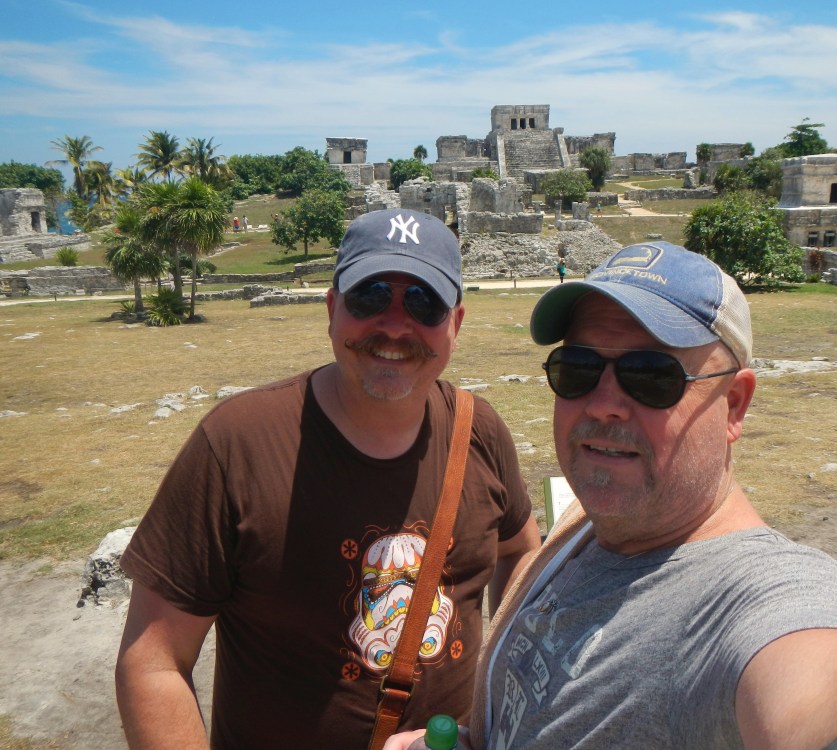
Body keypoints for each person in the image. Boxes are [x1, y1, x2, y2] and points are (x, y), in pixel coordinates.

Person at [387, 241, 837, 750]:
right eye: (578, 368)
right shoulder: (583, 528)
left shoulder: (749, 600)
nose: (603, 404)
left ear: (733, 405)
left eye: (651, 376)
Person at [116, 208, 541, 749]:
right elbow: (154, 661)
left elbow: (519, 552)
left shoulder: (479, 431)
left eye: (423, 302)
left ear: (454, 324)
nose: (394, 325)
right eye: (371, 296)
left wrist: (502, 684)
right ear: (332, 308)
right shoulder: (237, 444)